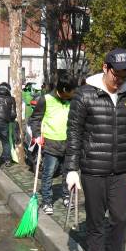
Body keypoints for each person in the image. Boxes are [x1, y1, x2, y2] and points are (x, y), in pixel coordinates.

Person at [64, 48, 126, 251]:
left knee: (120, 218)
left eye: (124, 76)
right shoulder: (85, 95)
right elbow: (74, 133)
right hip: (92, 169)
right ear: (106, 68)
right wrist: (71, 169)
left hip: (120, 170)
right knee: (96, 219)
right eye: (116, 75)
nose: (119, 80)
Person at [29, 73, 77, 216]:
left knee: (67, 172)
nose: (72, 94)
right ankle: (47, 201)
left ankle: (66, 195)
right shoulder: (46, 99)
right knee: (48, 173)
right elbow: (35, 119)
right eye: (69, 92)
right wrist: (37, 135)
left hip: (68, 143)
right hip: (51, 143)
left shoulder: (73, 100)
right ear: (62, 90)